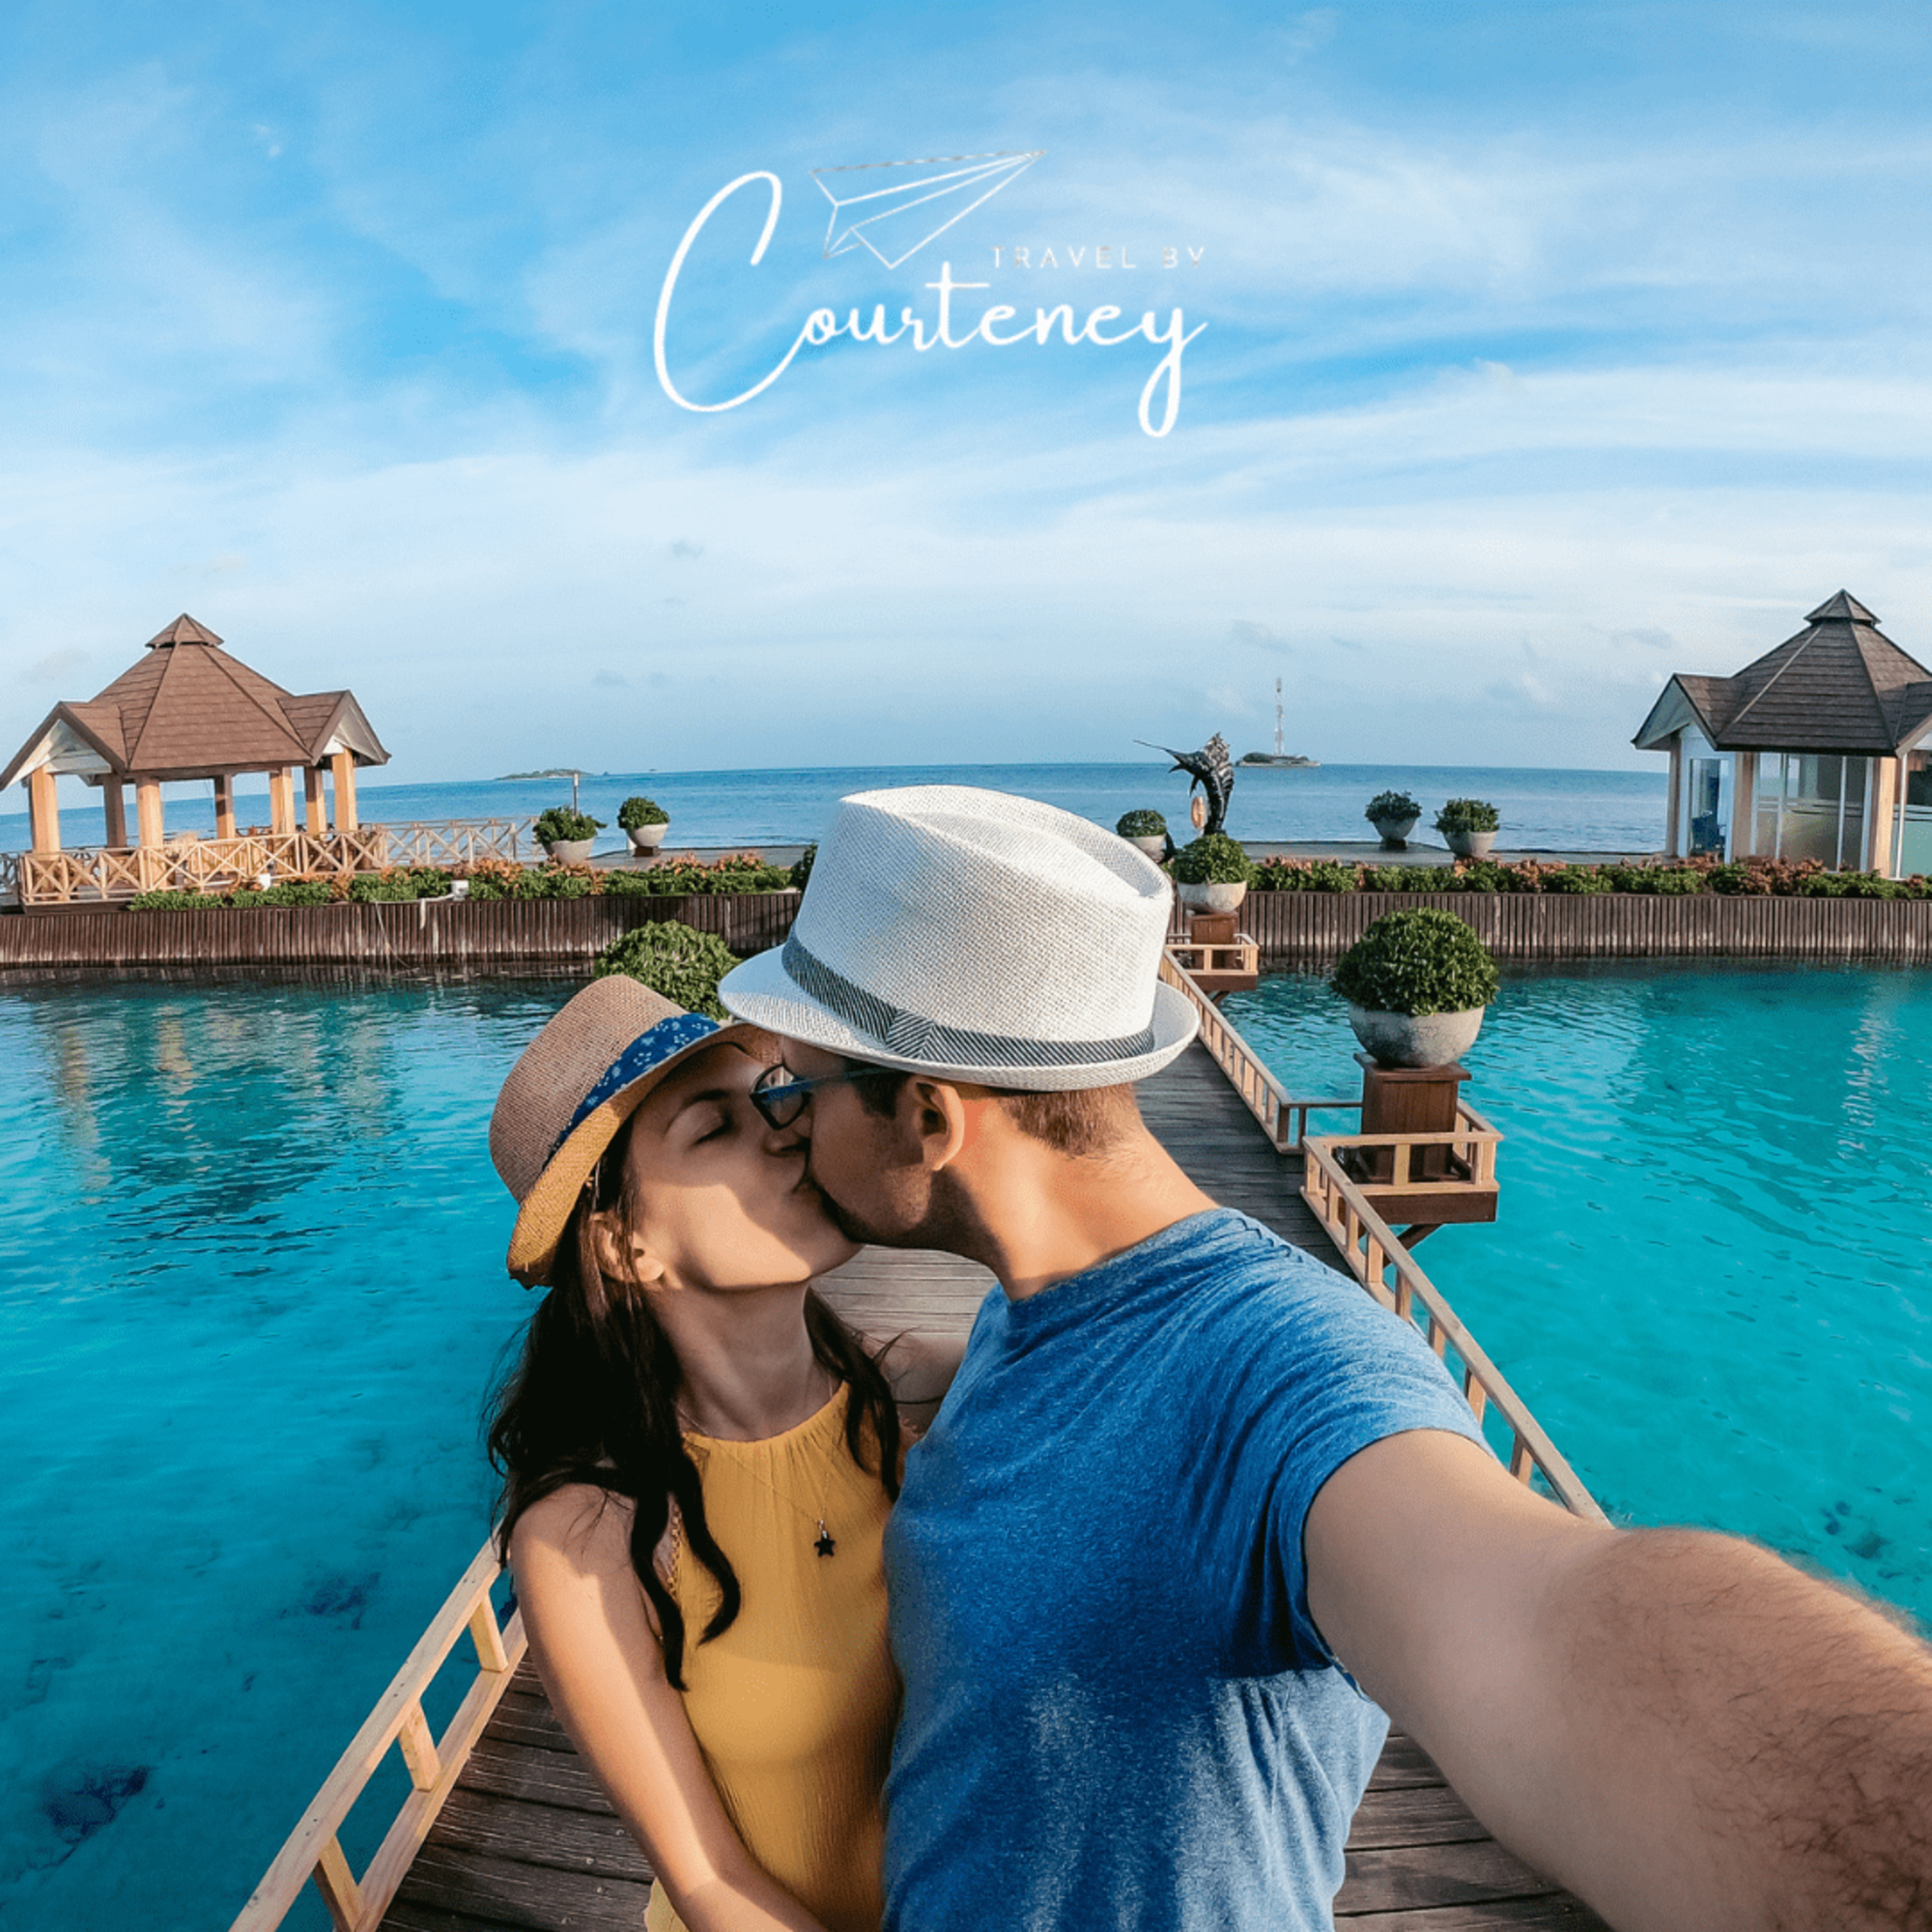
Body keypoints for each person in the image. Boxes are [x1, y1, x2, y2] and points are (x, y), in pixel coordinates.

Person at [718, 783, 1932, 1932]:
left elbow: (1545, 1626)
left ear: (929, 1115)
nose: (785, 1123)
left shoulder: (1288, 1371)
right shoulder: (1026, 1309)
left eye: (795, 1088)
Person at [485, 975, 957, 1932]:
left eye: (773, 1092)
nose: (784, 1127)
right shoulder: (588, 1533)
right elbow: (706, 1881)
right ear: (623, 1246)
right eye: (714, 1128)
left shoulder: (919, 1388)